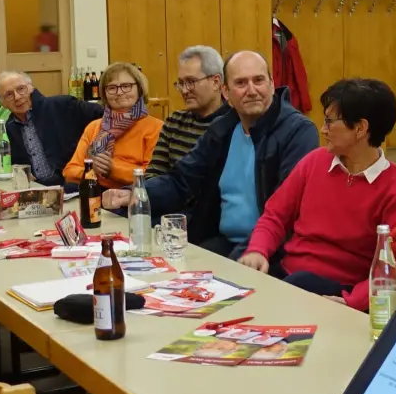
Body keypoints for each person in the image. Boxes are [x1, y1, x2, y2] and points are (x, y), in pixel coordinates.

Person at [103, 51, 317, 257]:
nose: (251, 90)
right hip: (221, 239)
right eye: (241, 83)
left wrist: (250, 252)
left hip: (271, 247)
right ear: (226, 91)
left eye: (259, 80)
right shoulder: (223, 128)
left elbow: (286, 211)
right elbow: (181, 180)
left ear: (271, 83)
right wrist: (134, 192)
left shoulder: (298, 131)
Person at [238, 78, 396, 304]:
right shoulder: (314, 161)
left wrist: (351, 301)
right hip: (288, 275)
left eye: (329, 121)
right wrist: (257, 250)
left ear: (361, 128)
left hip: (340, 291)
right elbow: (275, 215)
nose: (322, 129)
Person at [64, 62, 162, 190]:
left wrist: (113, 169)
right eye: (112, 88)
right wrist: (92, 170)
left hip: (132, 196)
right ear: (104, 94)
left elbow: (154, 177)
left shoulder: (156, 127)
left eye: (126, 86)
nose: (119, 92)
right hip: (94, 193)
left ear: (139, 89)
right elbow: (69, 171)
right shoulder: (93, 127)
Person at [0, 71, 102, 188]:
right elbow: (16, 163)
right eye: (9, 95)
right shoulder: (10, 127)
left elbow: (103, 115)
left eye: (21, 89)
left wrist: (95, 149)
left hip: (71, 185)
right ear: (2, 103)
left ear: (31, 88)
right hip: (37, 188)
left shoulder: (62, 105)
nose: (17, 97)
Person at [149, 45, 231, 176]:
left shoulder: (233, 124)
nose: (185, 90)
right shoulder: (174, 121)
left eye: (191, 81)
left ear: (216, 82)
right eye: (181, 83)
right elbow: (154, 174)